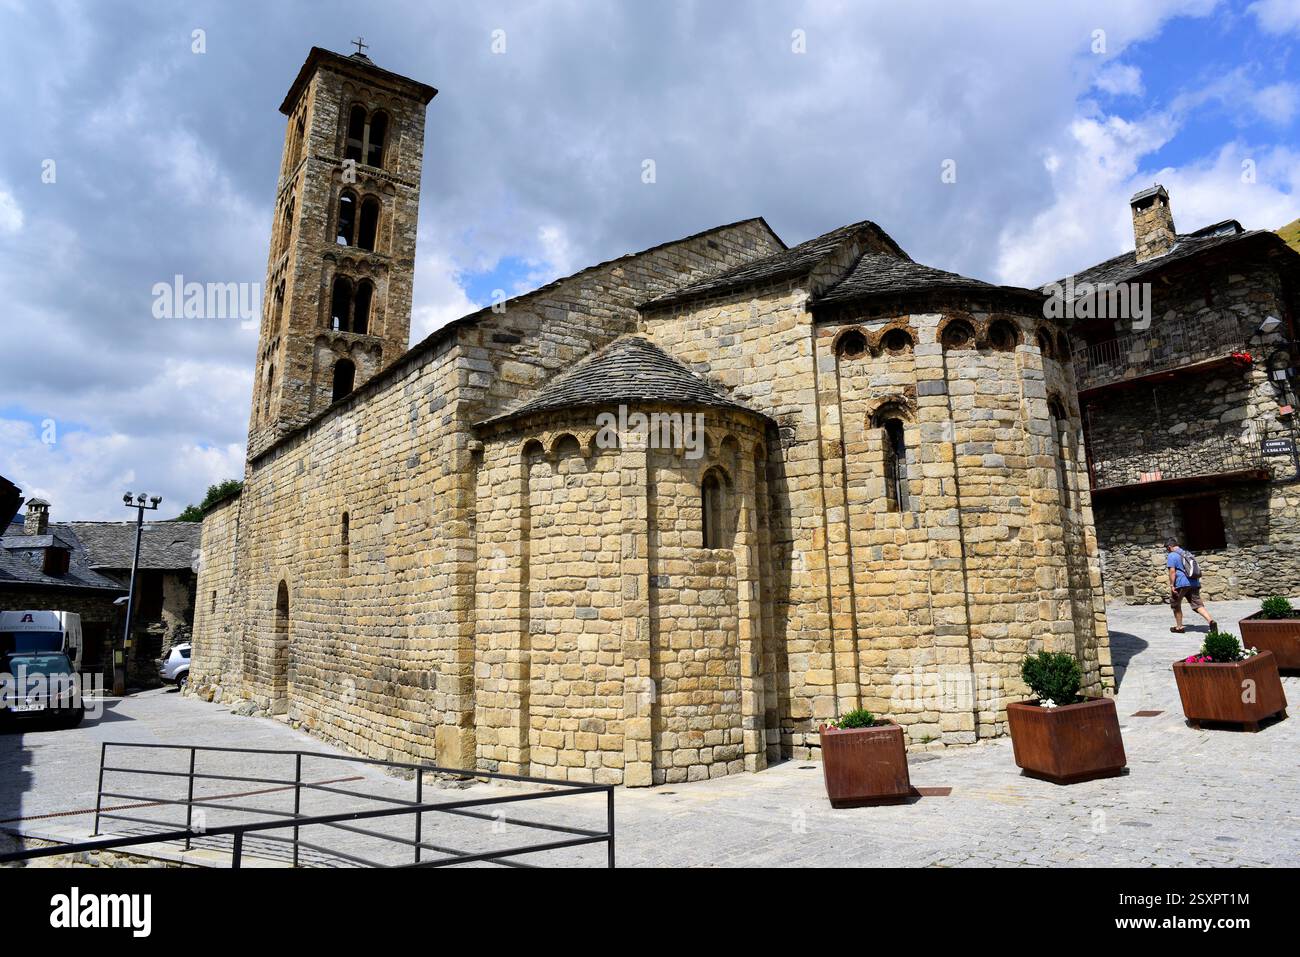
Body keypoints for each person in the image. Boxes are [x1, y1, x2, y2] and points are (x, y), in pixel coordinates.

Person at [1164, 537, 1216, 634]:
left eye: (1167, 548)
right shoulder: (1186, 553)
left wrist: (1172, 585)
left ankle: (1179, 627)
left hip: (1181, 583)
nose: (1167, 550)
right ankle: (1211, 621)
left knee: (1176, 604)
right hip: (1194, 582)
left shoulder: (1172, 555)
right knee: (1197, 604)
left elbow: (1172, 572)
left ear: (1170, 547)